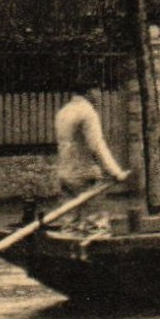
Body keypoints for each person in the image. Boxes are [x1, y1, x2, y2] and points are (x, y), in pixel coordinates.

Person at [54, 87, 130, 229]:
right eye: (98, 90)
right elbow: (96, 145)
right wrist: (116, 172)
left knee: (69, 221)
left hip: (65, 173)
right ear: (90, 91)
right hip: (85, 174)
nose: (99, 94)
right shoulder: (87, 112)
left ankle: (68, 246)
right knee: (96, 222)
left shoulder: (63, 112)